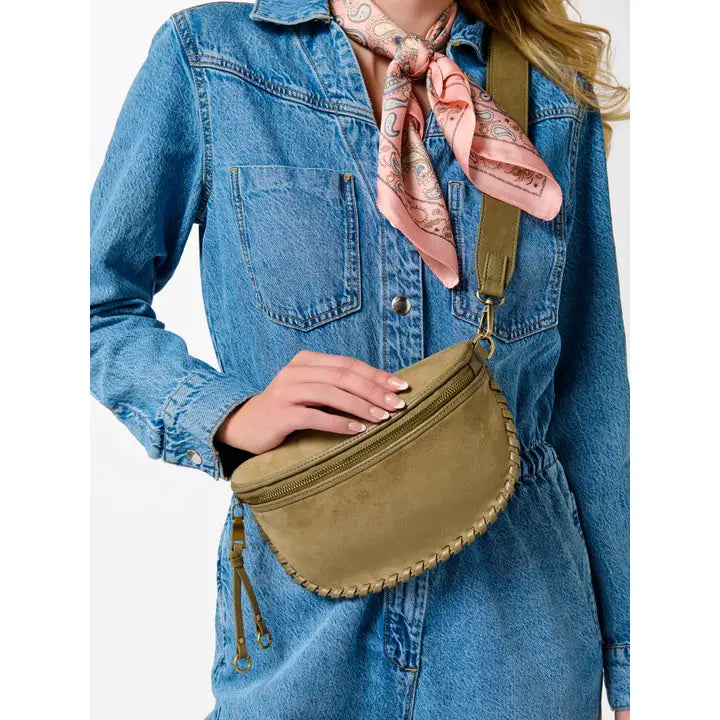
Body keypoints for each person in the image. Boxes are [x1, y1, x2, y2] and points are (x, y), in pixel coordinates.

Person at [90, 0, 629, 717]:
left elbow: (594, 398)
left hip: (517, 648)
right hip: (302, 643)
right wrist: (226, 416)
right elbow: (93, 308)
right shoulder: (209, 60)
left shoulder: (551, 92)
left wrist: (633, 665)